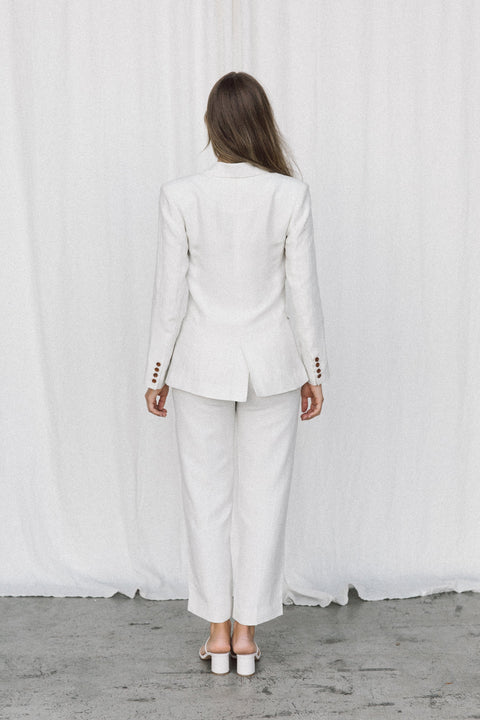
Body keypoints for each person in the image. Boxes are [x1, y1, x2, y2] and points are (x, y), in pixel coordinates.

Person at [144, 71, 330, 677]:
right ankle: (246, 636)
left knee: (206, 500)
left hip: (199, 365)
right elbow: (303, 293)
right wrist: (315, 371)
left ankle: (218, 635)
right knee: (263, 498)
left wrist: (156, 371)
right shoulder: (289, 194)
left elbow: (169, 295)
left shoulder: (181, 194)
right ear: (260, 124)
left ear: (212, 125)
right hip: (273, 367)